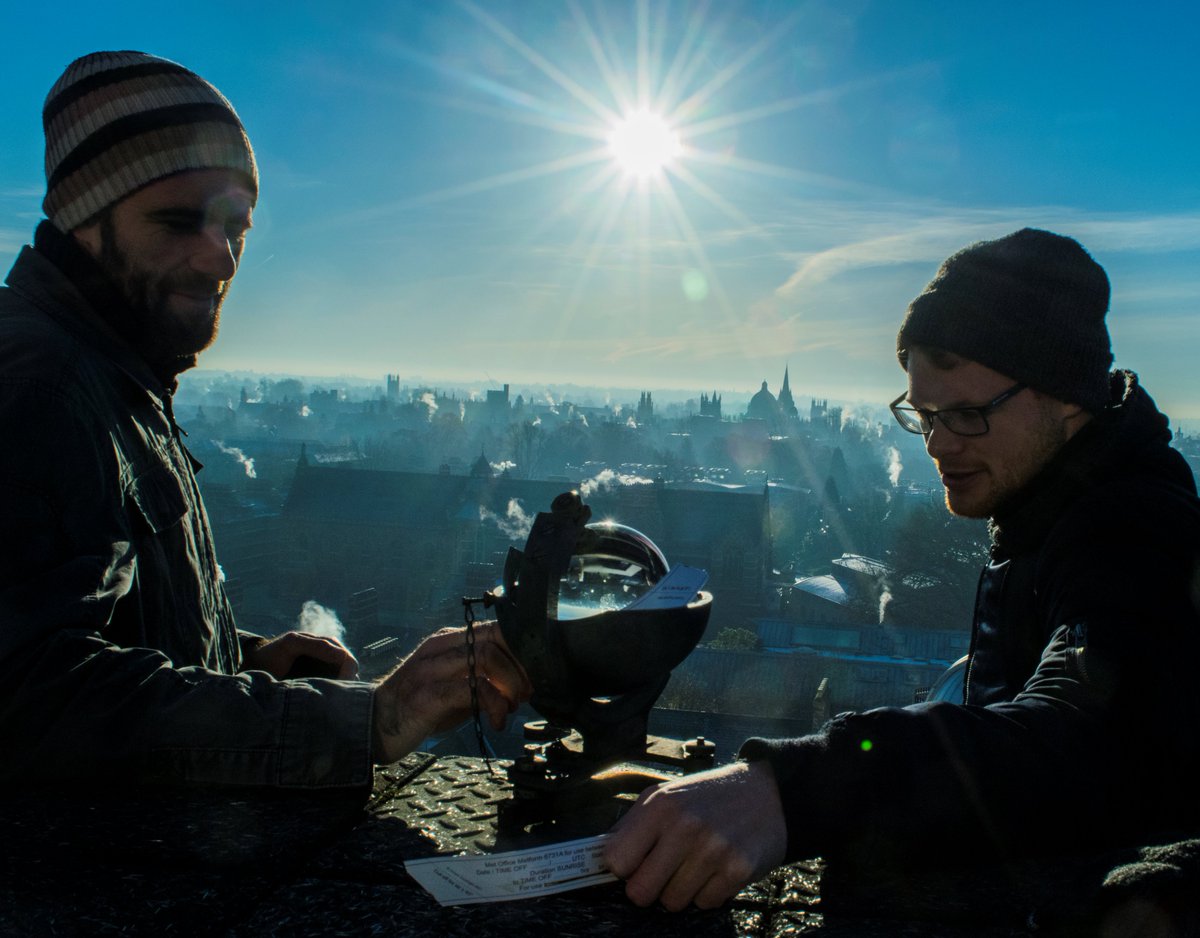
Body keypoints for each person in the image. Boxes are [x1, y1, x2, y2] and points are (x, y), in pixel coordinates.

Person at [603, 228, 1200, 910]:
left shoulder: (1134, 530)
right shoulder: (1049, 510)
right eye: (925, 415)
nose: (938, 445)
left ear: (1066, 396)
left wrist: (799, 789)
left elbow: (1086, 740)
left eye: (967, 414)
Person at [0, 50, 530, 789]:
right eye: (177, 222)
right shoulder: (37, 384)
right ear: (83, 218)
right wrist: (370, 719)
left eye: (235, 228)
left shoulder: (113, 372)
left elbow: (97, 637)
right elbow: (30, 697)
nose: (220, 260)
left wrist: (241, 661)